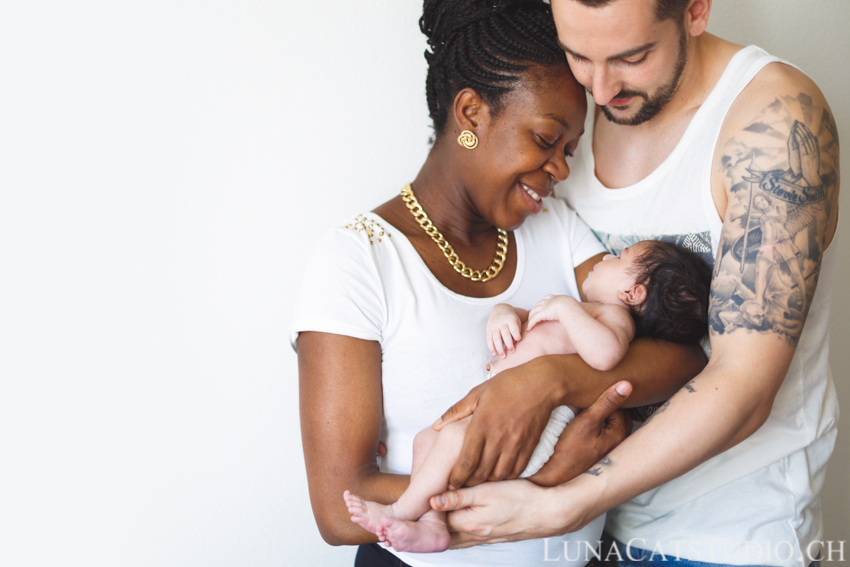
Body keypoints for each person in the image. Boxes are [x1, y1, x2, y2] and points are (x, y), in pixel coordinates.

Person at [291, 1, 706, 566]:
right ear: (470, 113)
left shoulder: (556, 229)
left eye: (569, 151)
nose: (561, 169)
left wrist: (548, 382)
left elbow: (681, 361)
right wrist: (553, 480)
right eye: (545, 139)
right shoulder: (359, 261)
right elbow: (340, 509)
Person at [427, 1, 839, 566]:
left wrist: (567, 500)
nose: (599, 90)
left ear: (694, 10)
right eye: (579, 56)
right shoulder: (567, 117)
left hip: (727, 540)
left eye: (632, 57)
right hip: (581, 536)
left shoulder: (772, 125)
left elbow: (744, 383)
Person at [343, 240, 710, 554]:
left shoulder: (615, 320)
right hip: (498, 413)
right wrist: (504, 314)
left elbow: (605, 354)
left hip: (542, 425)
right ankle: (433, 522)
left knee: (452, 439)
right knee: (428, 439)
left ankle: (398, 511)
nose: (605, 257)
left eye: (619, 257)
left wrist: (563, 307)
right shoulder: (586, 311)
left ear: (634, 293)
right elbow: (527, 319)